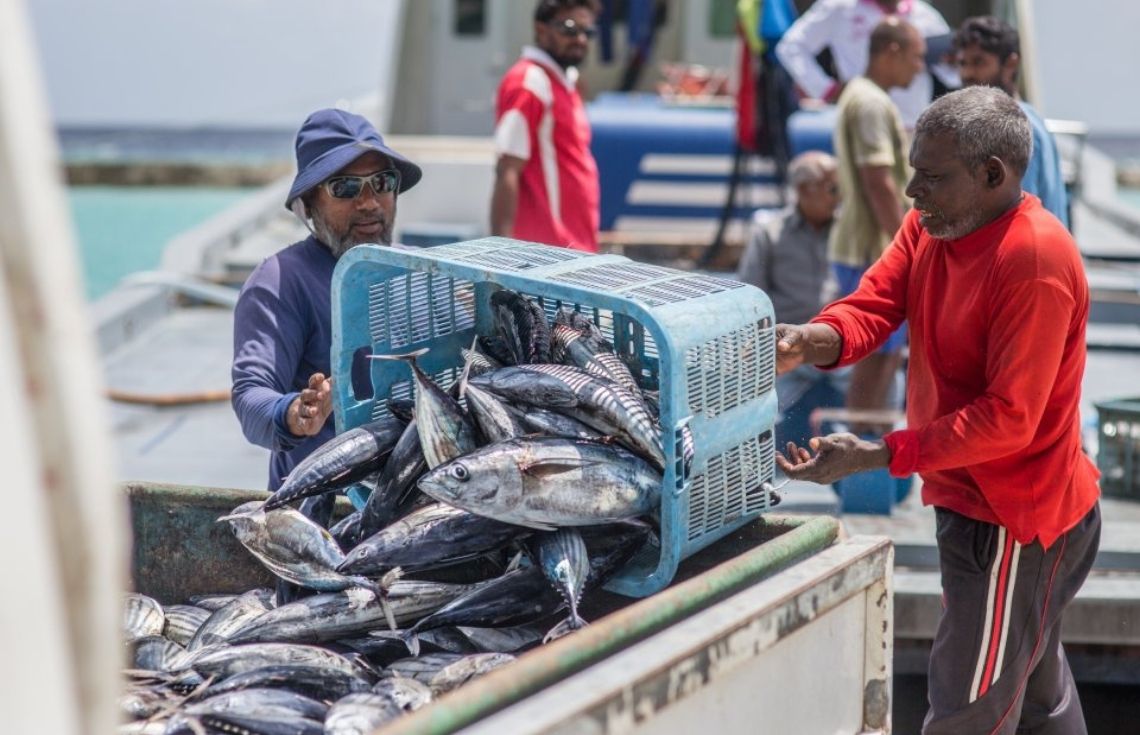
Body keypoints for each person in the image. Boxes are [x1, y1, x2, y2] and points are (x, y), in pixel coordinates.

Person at [775, 86, 1101, 734]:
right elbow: (875, 302)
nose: (911, 192)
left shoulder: (1032, 258)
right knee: (1038, 697)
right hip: (975, 505)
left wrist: (883, 454)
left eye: (930, 176)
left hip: (1014, 523)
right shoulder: (933, 222)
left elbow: (1010, 418)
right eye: (912, 171)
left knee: (965, 714)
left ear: (992, 176)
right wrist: (813, 339)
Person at [231, 108, 422, 492]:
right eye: (346, 188)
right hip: (323, 508)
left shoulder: (419, 271)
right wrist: (293, 414)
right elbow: (250, 395)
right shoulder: (280, 282)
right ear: (309, 203)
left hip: (412, 497)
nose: (369, 203)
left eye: (382, 182)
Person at [830, 18, 924, 425]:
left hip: (864, 247)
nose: (919, 68)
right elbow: (879, 181)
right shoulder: (870, 102)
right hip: (871, 249)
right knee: (874, 360)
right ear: (892, 51)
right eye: (916, 57)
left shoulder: (862, 95)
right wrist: (910, 248)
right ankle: (860, 462)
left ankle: (865, 456)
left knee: (880, 360)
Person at [737, 150, 842, 444]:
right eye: (833, 189)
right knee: (767, 424)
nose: (839, 197)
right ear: (804, 191)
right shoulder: (769, 234)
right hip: (789, 353)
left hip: (842, 347)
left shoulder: (848, 231)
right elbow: (749, 298)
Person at [490, 0, 601, 252]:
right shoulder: (530, 83)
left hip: (574, 250)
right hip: (547, 255)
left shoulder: (565, 81)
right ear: (541, 29)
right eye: (570, 29)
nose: (581, 39)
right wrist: (498, 258)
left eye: (588, 32)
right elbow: (507, 168)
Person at [954, 15, 1069, 228]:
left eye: (979, 62)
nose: (967, 73)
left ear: (1011, 63)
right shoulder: (1031, 118)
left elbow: (1017, 214)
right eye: (962, 63)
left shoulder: (1015, 126)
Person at [774, 0, 959, 129]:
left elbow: (952, 73)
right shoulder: (840, 7)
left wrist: (951, 62)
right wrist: (826, 89)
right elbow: (791, 47)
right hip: (861, 120)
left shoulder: (923, 13)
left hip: (912, 124)